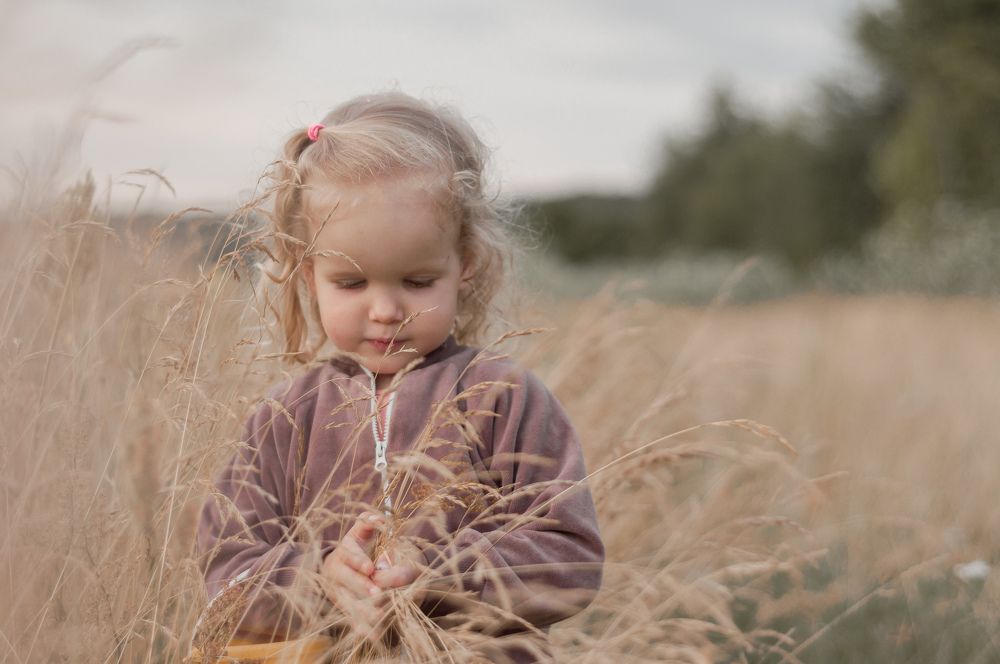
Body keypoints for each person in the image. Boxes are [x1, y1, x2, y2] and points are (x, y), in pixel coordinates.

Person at [196, 91, 604, 663]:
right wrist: (318, 579)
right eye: (351, 283)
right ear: (309, 273)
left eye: (416, 282)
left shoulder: (503, 398)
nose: (386, 310)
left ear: (465, 264)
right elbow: (225, 574)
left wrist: (440, 573)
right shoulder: (285, 417)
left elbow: (571, 556)